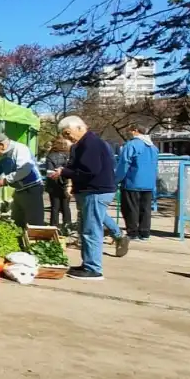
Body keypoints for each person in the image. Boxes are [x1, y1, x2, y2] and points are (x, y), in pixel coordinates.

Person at [48, 116, 130, 281]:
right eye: (64, 134)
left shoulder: (90, 144)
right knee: (86, 229)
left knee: (91, 230)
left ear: (79, 127)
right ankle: (88, 264)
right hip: (92, 191)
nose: (67, 137)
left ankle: (93, 268)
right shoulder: (85, 144)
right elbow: (79, 167)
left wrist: (64, 172)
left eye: (68, 133)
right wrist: (65, 170)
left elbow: (88, 171)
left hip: (95, 191)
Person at [0, 134, 44, 228]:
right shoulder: (3, 155)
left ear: (1, 145)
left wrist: (5, 180)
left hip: (32, 188)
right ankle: (21, 240)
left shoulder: (20, 149)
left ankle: (36, 241)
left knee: (34, 222)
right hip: (19, 190)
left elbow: (24, 170)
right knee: (17, 220)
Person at [115, 124, 159, 241]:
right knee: (145, 209)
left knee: (130, 208)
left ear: (135, 131)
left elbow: (124, 163)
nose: (128, 133)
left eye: (129, 131)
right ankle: (145, 232)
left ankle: (132, 232)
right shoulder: (153, 147)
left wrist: (116, 179)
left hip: (132, 181)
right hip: (148, 183)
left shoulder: (131, 145)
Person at [45, 137, 73, 227]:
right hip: (67, 183)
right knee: (66, 206)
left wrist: (56, 173)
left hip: (54, 184)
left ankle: (54, 226)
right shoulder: (70, 155)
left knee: (55, 207)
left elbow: (49, 172)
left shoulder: (50, 156)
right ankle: (67, 226)